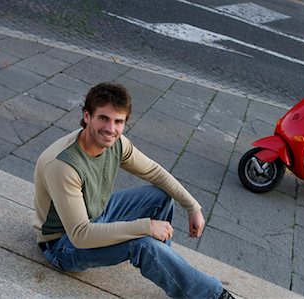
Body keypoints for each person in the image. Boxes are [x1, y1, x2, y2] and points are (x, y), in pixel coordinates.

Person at [33, 82, 234, 299]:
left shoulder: (117, 143)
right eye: (103, 118)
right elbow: (81, 235)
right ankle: (211, 296)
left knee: (161, 197)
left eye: (118, 121)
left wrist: (192, 206)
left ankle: (165, 265)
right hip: (62, 244)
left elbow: (155, 172)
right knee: (143, 243)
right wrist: (145, 227)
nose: (111, 129)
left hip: (96, 215)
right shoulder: (63, 165)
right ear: (87, 116)